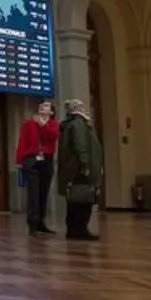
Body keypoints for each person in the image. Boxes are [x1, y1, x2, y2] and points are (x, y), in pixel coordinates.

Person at [57, 99, 104, 241]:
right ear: (78, 109)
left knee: (74, 200)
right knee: (83, 200)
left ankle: (73, 229)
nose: (85, 108)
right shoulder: (79, 124)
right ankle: (80, 229)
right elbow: (81, 145)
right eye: (83, 106)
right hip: (80, 169)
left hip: (73, 169)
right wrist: (85, 165)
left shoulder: (70, 124)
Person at [16, 100, 59, 236]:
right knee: (33, 192)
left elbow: (53, 136)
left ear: (51, 112)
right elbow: (22, 141)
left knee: (43, 191)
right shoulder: (29, 124)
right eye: (41, 105)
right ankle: (33, 223)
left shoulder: (53, 124)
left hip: (47, 159)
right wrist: (20, 160)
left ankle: (41, 222)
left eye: (46, 106)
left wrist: (43, 125)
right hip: (32, 158)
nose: (42, 107)